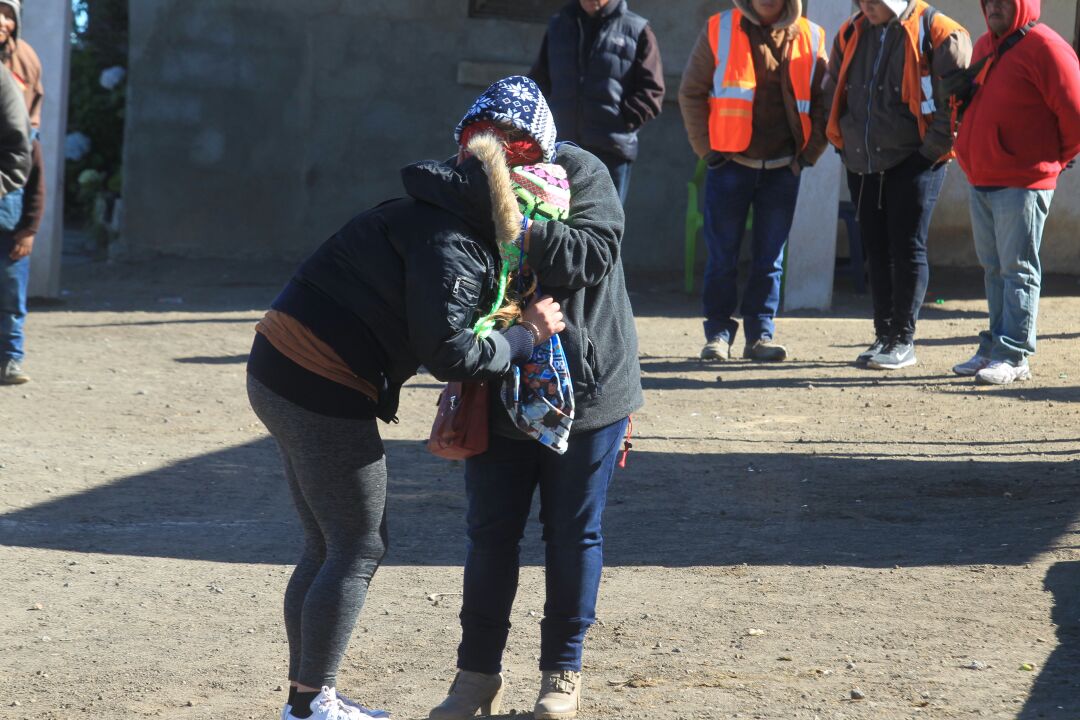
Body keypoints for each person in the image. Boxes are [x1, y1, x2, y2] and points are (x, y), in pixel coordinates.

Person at [246, 80, 566, 720]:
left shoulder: (432, 208)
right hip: (319, 381)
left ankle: (305, 699)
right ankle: (312, 706)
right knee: (358, 546)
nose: (533, 231)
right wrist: (527, 334)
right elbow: (449, 351)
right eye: (537, 213)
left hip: (278, 367)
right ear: (516, 188)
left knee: (325, 544)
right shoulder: (456, 242)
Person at [430, 78, 642, 720]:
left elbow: (596, 253)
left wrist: (517, 226)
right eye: (486, 148)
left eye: (516, 146)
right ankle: (475, 679)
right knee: (489, 536)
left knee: (573, 534)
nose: (504, 160)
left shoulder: (580, 171)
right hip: (498, 382)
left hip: (588, 390)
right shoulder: (462, 182)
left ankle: (562, 677)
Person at [678, 0, 830, 363]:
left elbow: (825, 100)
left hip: (783, 168)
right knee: (722, 257)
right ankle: (717, 333)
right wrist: (707, 151)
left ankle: (760, 335)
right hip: (730, 164)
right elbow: (691, 92)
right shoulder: (720, 28)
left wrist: (809, 155)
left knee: (770, 259)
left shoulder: (812, 35)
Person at [826, 0, 970, 370]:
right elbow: (834, 86)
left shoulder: (939, 31)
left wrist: (929, 153)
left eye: (874, 0)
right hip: (862, 160)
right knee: (875, 246)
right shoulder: (851, 31)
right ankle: (884, 334)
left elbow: (955, 102)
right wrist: (843, 143)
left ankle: (903, 339)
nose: (866, 6)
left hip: (915, 160)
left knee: (906, 247)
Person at [951, 0, 1080, 385]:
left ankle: (1014, 354)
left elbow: (1075, 113)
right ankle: (994, 347)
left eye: (1003, 1)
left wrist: (1050, 162)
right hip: (982, 177)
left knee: (1018, 270)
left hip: (1022, 181)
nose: (993, 7)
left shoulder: (1047, 46)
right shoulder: (985, 46)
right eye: (987, 1)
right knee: (995, 270)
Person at [529, 0, 665, 205]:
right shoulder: (558, 24)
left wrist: (621, 121)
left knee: (602, 230)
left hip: (610, 152)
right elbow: (539, 82)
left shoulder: (637, 30)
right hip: (560, 149)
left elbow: (652, 91)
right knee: (554, 226)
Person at [0, 0, 42, 386]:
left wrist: (28, 228)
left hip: (9, 193)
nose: (1, 20)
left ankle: (10, 358)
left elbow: (25, 156)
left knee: (10, 290)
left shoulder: (21, 59)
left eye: (8, 13)